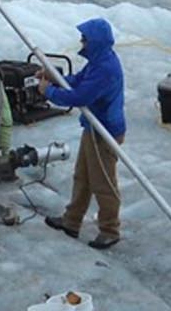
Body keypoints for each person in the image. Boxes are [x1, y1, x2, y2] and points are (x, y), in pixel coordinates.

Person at [40, 18, 126, 250]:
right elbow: (78, 81)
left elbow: (80, 96)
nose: (82, 42)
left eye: (85, 39)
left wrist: (49, 92)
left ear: (95, 41)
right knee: (83, 177)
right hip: (93, 128)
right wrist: (55, 80)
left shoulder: (105, 69)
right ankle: (72, 220)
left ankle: (110, 230)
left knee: (103, 182)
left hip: (104, 132)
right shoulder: (99, 62)